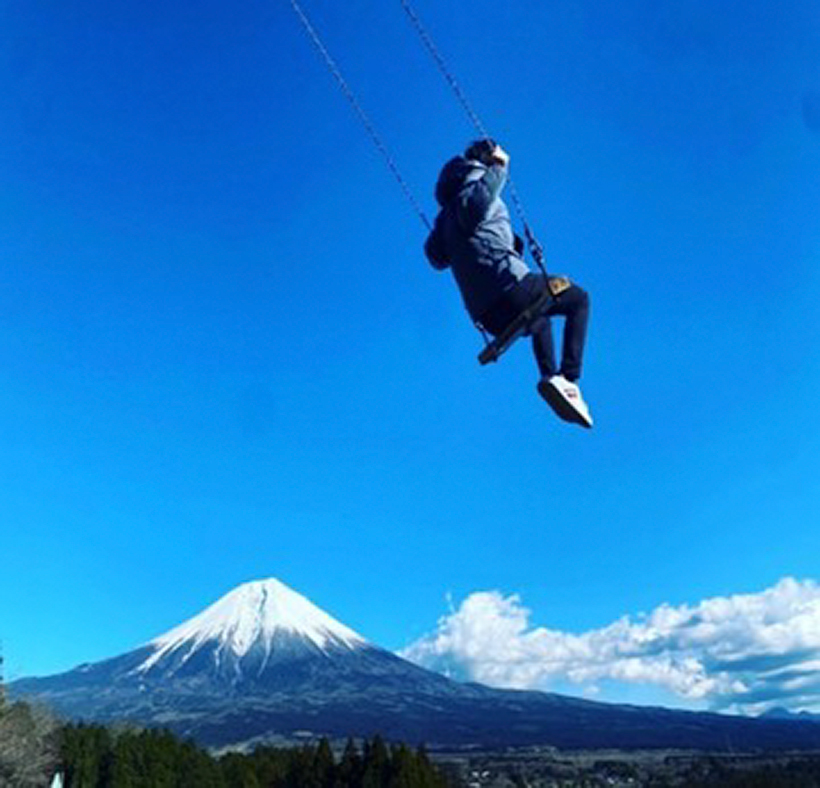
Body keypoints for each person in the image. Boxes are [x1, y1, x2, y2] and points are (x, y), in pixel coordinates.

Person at [424, 139, 593, 428]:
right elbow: (476, 205)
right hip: (511, 288)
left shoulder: (444, 224)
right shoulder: (475, 188)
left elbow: (435, 257)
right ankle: (570, 379)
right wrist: (500, 165)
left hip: (489, 317)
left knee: (539, 321)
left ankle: (552, 378)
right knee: (578, 298)